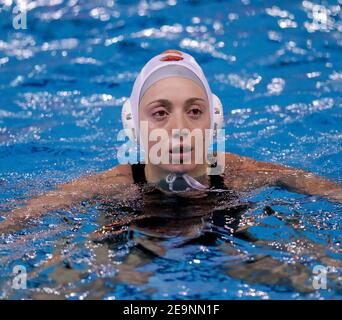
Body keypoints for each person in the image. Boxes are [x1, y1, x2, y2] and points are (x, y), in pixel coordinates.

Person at [0, 49, 341, 233]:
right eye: (160, 113)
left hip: (227, 247)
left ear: (214, 121)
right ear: (134, 126)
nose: (179, 128)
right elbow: (20, 219)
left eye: (194, 111)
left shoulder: (241, 173)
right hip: (132, 251)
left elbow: (329, 192)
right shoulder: (113, 185)